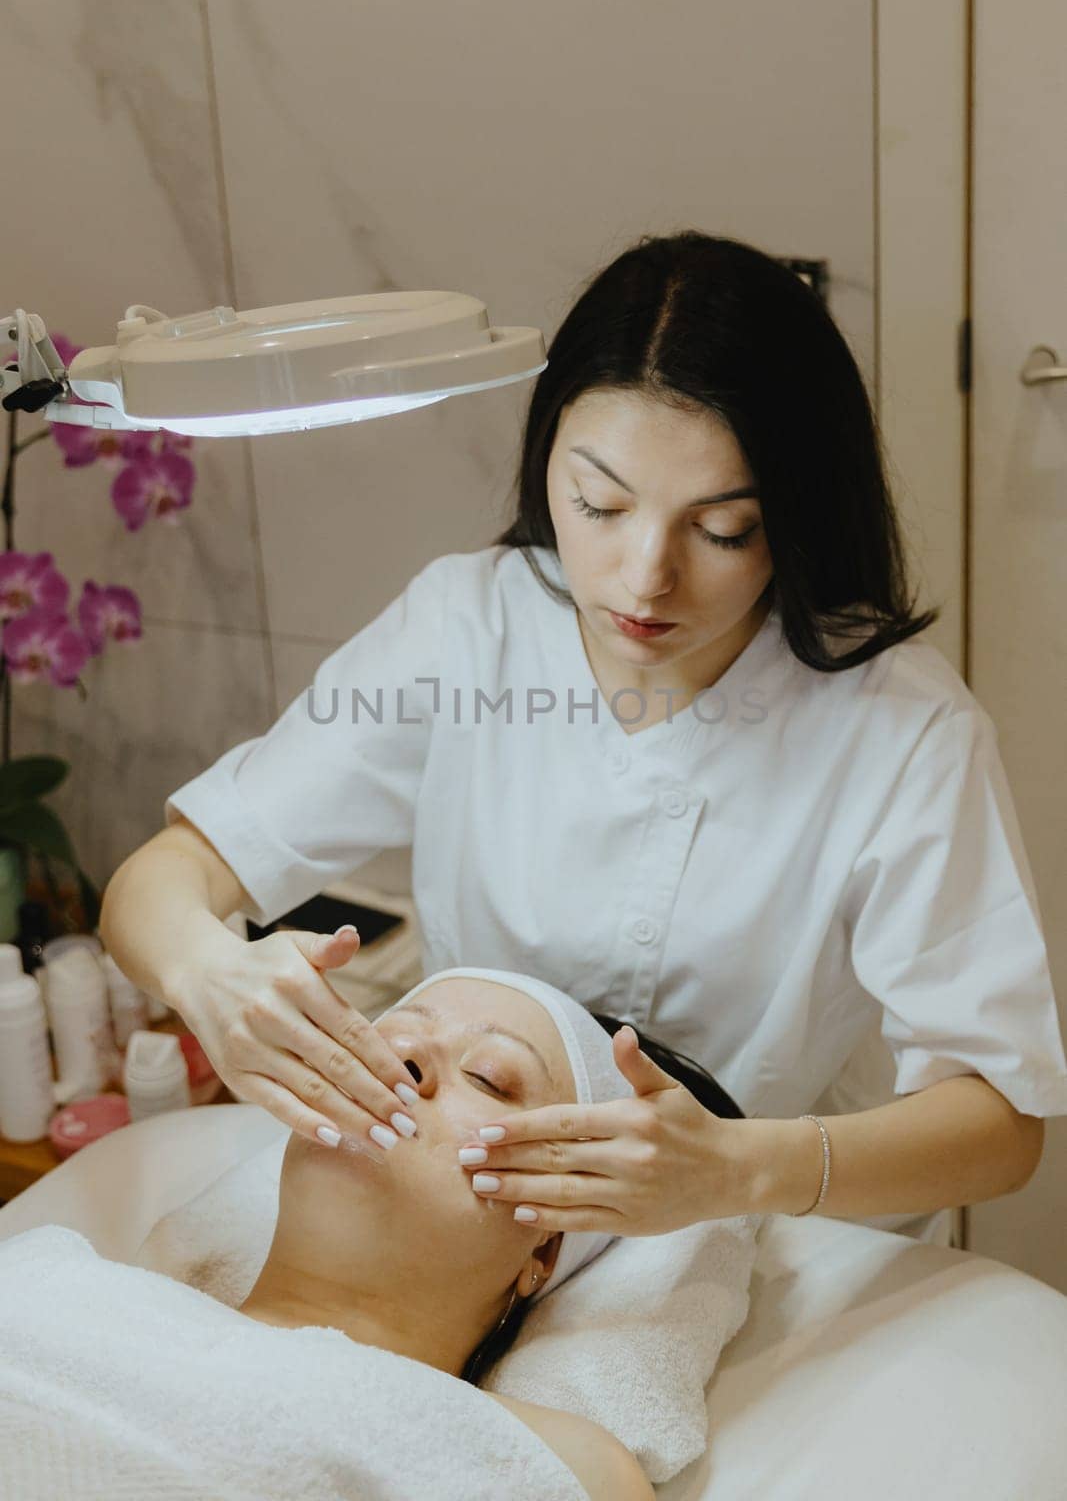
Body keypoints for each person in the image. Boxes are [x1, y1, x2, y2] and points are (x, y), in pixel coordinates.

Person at [100, 230, 1067, 1249]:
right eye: (597, 503)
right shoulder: (466, 629)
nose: (643, 574)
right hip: (470, 1222)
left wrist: (739, 1168)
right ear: (545, 457)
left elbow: (998, 1126)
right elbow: (163, 880)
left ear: (796, 513)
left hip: (769, 1241)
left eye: (722, 530)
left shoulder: (900, 727)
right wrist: (210, 975)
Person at [0, 970, 745, 1501]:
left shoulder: (553, 1464)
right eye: (382, 1041)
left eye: (488, 1077)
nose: (401, 1063)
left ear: (542, 1251)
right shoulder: (48, 1281)